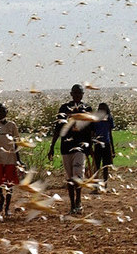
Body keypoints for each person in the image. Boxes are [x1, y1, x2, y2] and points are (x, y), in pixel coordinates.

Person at [47, 84, 93, 214]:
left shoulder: (87, 109)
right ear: (71, 94)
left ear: (82, 95)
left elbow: (90, 130)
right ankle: (73, 204)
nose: (78, 95)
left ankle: (78, 201)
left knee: (77, 175)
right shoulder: (64, 108)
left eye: (80, 93)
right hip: (66, 147)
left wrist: (90, 148)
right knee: (70, 178)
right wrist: (52, 146)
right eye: (75, 93)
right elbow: (58, 128)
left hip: (80, 147)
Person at [91, 102, 115, 192]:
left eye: (103, 109)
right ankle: (96, 187)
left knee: (106, 167)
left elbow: (110, 133)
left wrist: (113, 149)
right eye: (100, 109)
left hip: (107, 144)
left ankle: (105, 185)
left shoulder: (109, 118)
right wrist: (91, 145)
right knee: (96, 166)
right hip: (97, 144)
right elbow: (92, 133)